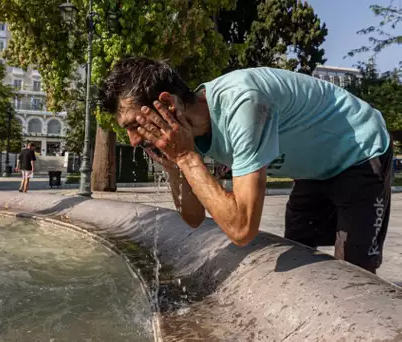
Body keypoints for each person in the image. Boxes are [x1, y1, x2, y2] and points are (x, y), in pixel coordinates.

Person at [99, 57, 392, 274]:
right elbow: (193, 217)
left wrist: (187, 158)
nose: (133, 140)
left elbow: (241, 228)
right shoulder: (190, 134)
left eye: (134, 124)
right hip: (312, 170)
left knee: (356, 270)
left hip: (359, 151)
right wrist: (178, 166)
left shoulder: (243, 104)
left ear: (168, 104)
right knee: (297, 254)